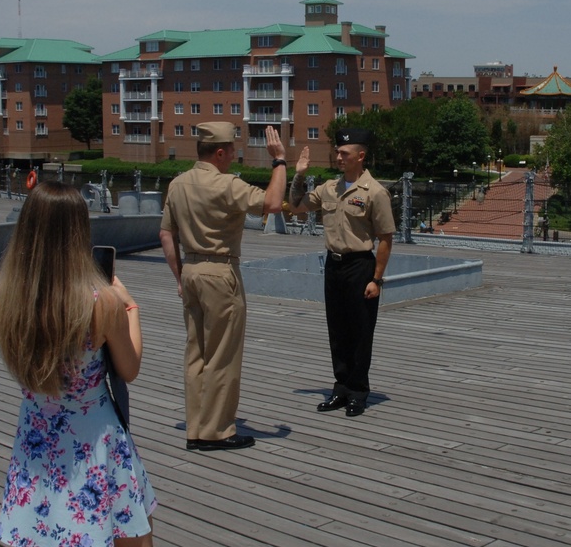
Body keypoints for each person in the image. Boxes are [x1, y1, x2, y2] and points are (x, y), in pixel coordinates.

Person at [0, 181, 156, 547]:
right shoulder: (102, 302)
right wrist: (131, 309)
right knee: (135, 544)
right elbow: (129, 368)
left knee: (47, 540)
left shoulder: (2, 298)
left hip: (35, 440)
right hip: (94, 444)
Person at [159, 123, 286, 451]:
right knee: (223, 355)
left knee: (196, 354)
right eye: (232, 151)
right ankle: (217, 431)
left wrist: (179, 277)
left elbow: (165, 234)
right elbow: (272, 203)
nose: (234, 156)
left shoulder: (177, 184)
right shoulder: (227, 184)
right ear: (219, 152)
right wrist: (280, 161)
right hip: (220, 272)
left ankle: (196, 428)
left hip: (190, 271)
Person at [288, 128, 395, 417]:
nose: (338, 157)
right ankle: (341, 387)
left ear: (360, 156)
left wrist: (377, 279)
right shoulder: (328, 189)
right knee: (337, 330)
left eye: (344, 153)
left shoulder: (375, 192)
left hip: (361, 265)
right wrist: (298, 174)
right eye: (337, 152)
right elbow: (296, 206)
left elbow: (385, 238)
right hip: (334, 265)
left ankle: (358, 391)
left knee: (360, 332)